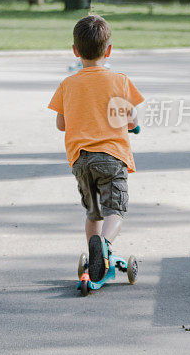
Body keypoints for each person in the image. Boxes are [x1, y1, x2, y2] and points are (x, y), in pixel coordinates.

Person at [47, 15, 143, 282]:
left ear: (75, 51)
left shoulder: (67, 84)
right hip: (112, 157)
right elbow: (131, 118)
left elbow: (61, 124)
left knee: (93, 212)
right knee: (116, 211)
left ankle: (93, 259)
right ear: (109, 50)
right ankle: (105, 246)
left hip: (81, 160)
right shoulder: (119, 81)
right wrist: (132, 124)